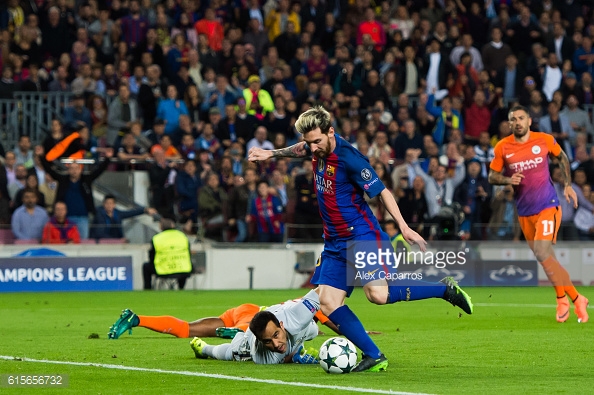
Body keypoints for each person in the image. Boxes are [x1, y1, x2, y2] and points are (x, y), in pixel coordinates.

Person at [248, 106, 473, 372]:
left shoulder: (350, 159)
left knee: (377, 294)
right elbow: (300, 149)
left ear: (331, 132)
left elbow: (383, 192)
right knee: (328, 302)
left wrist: (403, 227)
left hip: (362, 236)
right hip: (335, 242)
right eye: (309, 142)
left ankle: (444, 289)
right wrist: (271, 154)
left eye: (317, 142)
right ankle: (375, 355)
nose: (312, 148)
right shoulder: (315, 147)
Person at [488, 105, 589, 323]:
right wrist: (507, 180)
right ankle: (577, 298)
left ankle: (562, 300)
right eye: (513, 119)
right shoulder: (503, 147)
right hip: (524, 211)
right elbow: (492, 176)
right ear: (509, 123)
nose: (517, 122)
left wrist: (568, 185)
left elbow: (561, 158)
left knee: (543, 252)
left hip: (548, 205)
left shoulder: (543, 139)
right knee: (547, 258)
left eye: (521, 118)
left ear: (529, 121)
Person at [107, 296, 341, 340]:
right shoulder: (309, 306)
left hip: (241, 310)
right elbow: (327, 315)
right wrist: (347, 331)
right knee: (251, 330)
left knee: (187, 329)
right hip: (252, 316)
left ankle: (137, 319)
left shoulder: (297, 306)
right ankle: (237, 334)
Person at [190, 290, 322, 364]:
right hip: (249, 341)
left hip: (276, 311)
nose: (276, 344)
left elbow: (323, 291)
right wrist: (295, 358)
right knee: (233, 352)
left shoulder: (303, 322)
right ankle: (204, 349)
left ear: (281, 325)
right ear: (261, 342)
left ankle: (259, 316)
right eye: (268, 341)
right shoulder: (264, 357)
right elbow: (284, 358)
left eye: (276, 335)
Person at [41, 149, 113, 239]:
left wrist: (108, 159)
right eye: (71, 168)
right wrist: (41, 157)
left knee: (83, 244)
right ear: (68, 170)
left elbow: (99, 171)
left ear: (80, 169)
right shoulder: (63, 180)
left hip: (83, 217)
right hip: (65, 219)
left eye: (76, 168)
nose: (74, 171)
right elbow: (50, 171)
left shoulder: (86, 180)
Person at [142, 218, 192, 290]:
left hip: (163, 270)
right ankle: (181, 288)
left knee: (146, 266)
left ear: (161, 227)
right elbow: (188, 253)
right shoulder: (182, 236)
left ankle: (147, 290)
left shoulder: (157, 238)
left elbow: (152, 256)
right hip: (183, 270)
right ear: (173, 225)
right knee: (188, 264)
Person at [92, 195, 157, 240]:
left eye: (111, 203)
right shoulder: (99, 214)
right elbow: (99, 233)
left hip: (117, 242)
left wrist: (145, 210)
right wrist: (116, 240)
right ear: (103, 204)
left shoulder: (117, 214)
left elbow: (131, 213)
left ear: (114, 205)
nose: (109, 205)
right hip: (102, 243)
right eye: (107, 203)